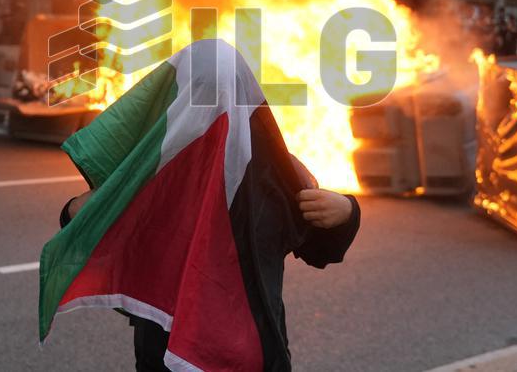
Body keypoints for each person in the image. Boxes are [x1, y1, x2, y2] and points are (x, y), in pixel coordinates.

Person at [49, 40, 360, 371]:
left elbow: (319, 249)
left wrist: (344, 213)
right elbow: (101, 237)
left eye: (220, 92)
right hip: (165, 351)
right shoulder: (155, 168)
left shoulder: (273, 168)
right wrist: (75, 213)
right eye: (198, 93)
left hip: (249, 351)